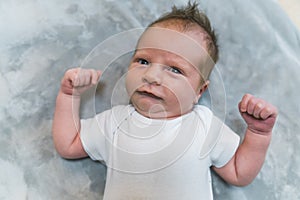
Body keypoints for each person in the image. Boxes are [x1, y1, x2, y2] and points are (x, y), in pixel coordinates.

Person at [52, 2, 278, 199]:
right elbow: (68, 145)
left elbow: (239, 172)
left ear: (199, 91)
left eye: (175, 69)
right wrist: (69, 96)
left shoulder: (203, 126)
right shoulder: (116, 122)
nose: (151, 76)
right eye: (143, 61)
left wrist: (258, 134)